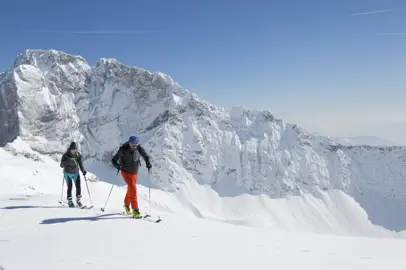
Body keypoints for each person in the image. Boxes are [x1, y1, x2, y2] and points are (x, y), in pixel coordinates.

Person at [111, 135, 152, 218]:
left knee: (130, 188)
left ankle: (126, 205)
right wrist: (117, 165)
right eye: (132, 145)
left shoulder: (138, 147)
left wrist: (148, 162)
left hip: (135, 173)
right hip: (125, 172)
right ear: (129, 143)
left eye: (135, 145)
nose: (134, 147)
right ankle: (135, 210)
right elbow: (113, 160)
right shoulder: (123, 149)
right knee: (133, 188)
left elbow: (145, 155)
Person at [60, 142, 87, 208]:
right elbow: (61, 165)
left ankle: (78, 200)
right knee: (70, 186)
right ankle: (70, 201)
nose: (74, 151)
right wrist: (67, 161)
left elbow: (80, 164)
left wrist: (83, 171)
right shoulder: (65, 155)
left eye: (75, 150)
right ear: (70, 149)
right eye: (73, 150)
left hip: (76, 173)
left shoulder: (78, 155)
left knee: (78, 185)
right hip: (67, 173)